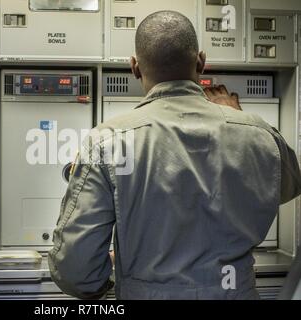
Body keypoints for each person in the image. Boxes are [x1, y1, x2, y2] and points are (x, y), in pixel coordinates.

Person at [48, 11, 301, 300]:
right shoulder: (258, 133)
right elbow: (287, 186)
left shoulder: (108, 141)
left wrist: (115, 280)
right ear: (201, 62)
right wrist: (238, 120)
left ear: (135, 67)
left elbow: (75, 271)